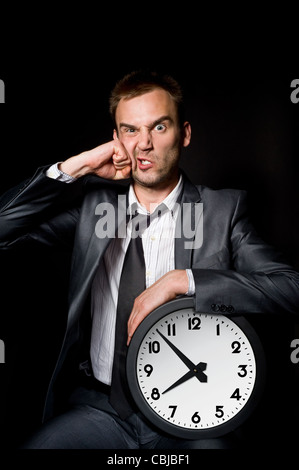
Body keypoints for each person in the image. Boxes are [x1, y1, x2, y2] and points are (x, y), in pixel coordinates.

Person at [0, 70, 298, 449]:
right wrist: (76, 167)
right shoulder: (95, 210)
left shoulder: (222, 210)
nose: (144, 144)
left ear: (184, 134)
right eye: (130, 130)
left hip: (194, 404)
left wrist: (185, 280)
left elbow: (291, 288)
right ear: (116, 139)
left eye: (159, 127)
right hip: (102, 407)